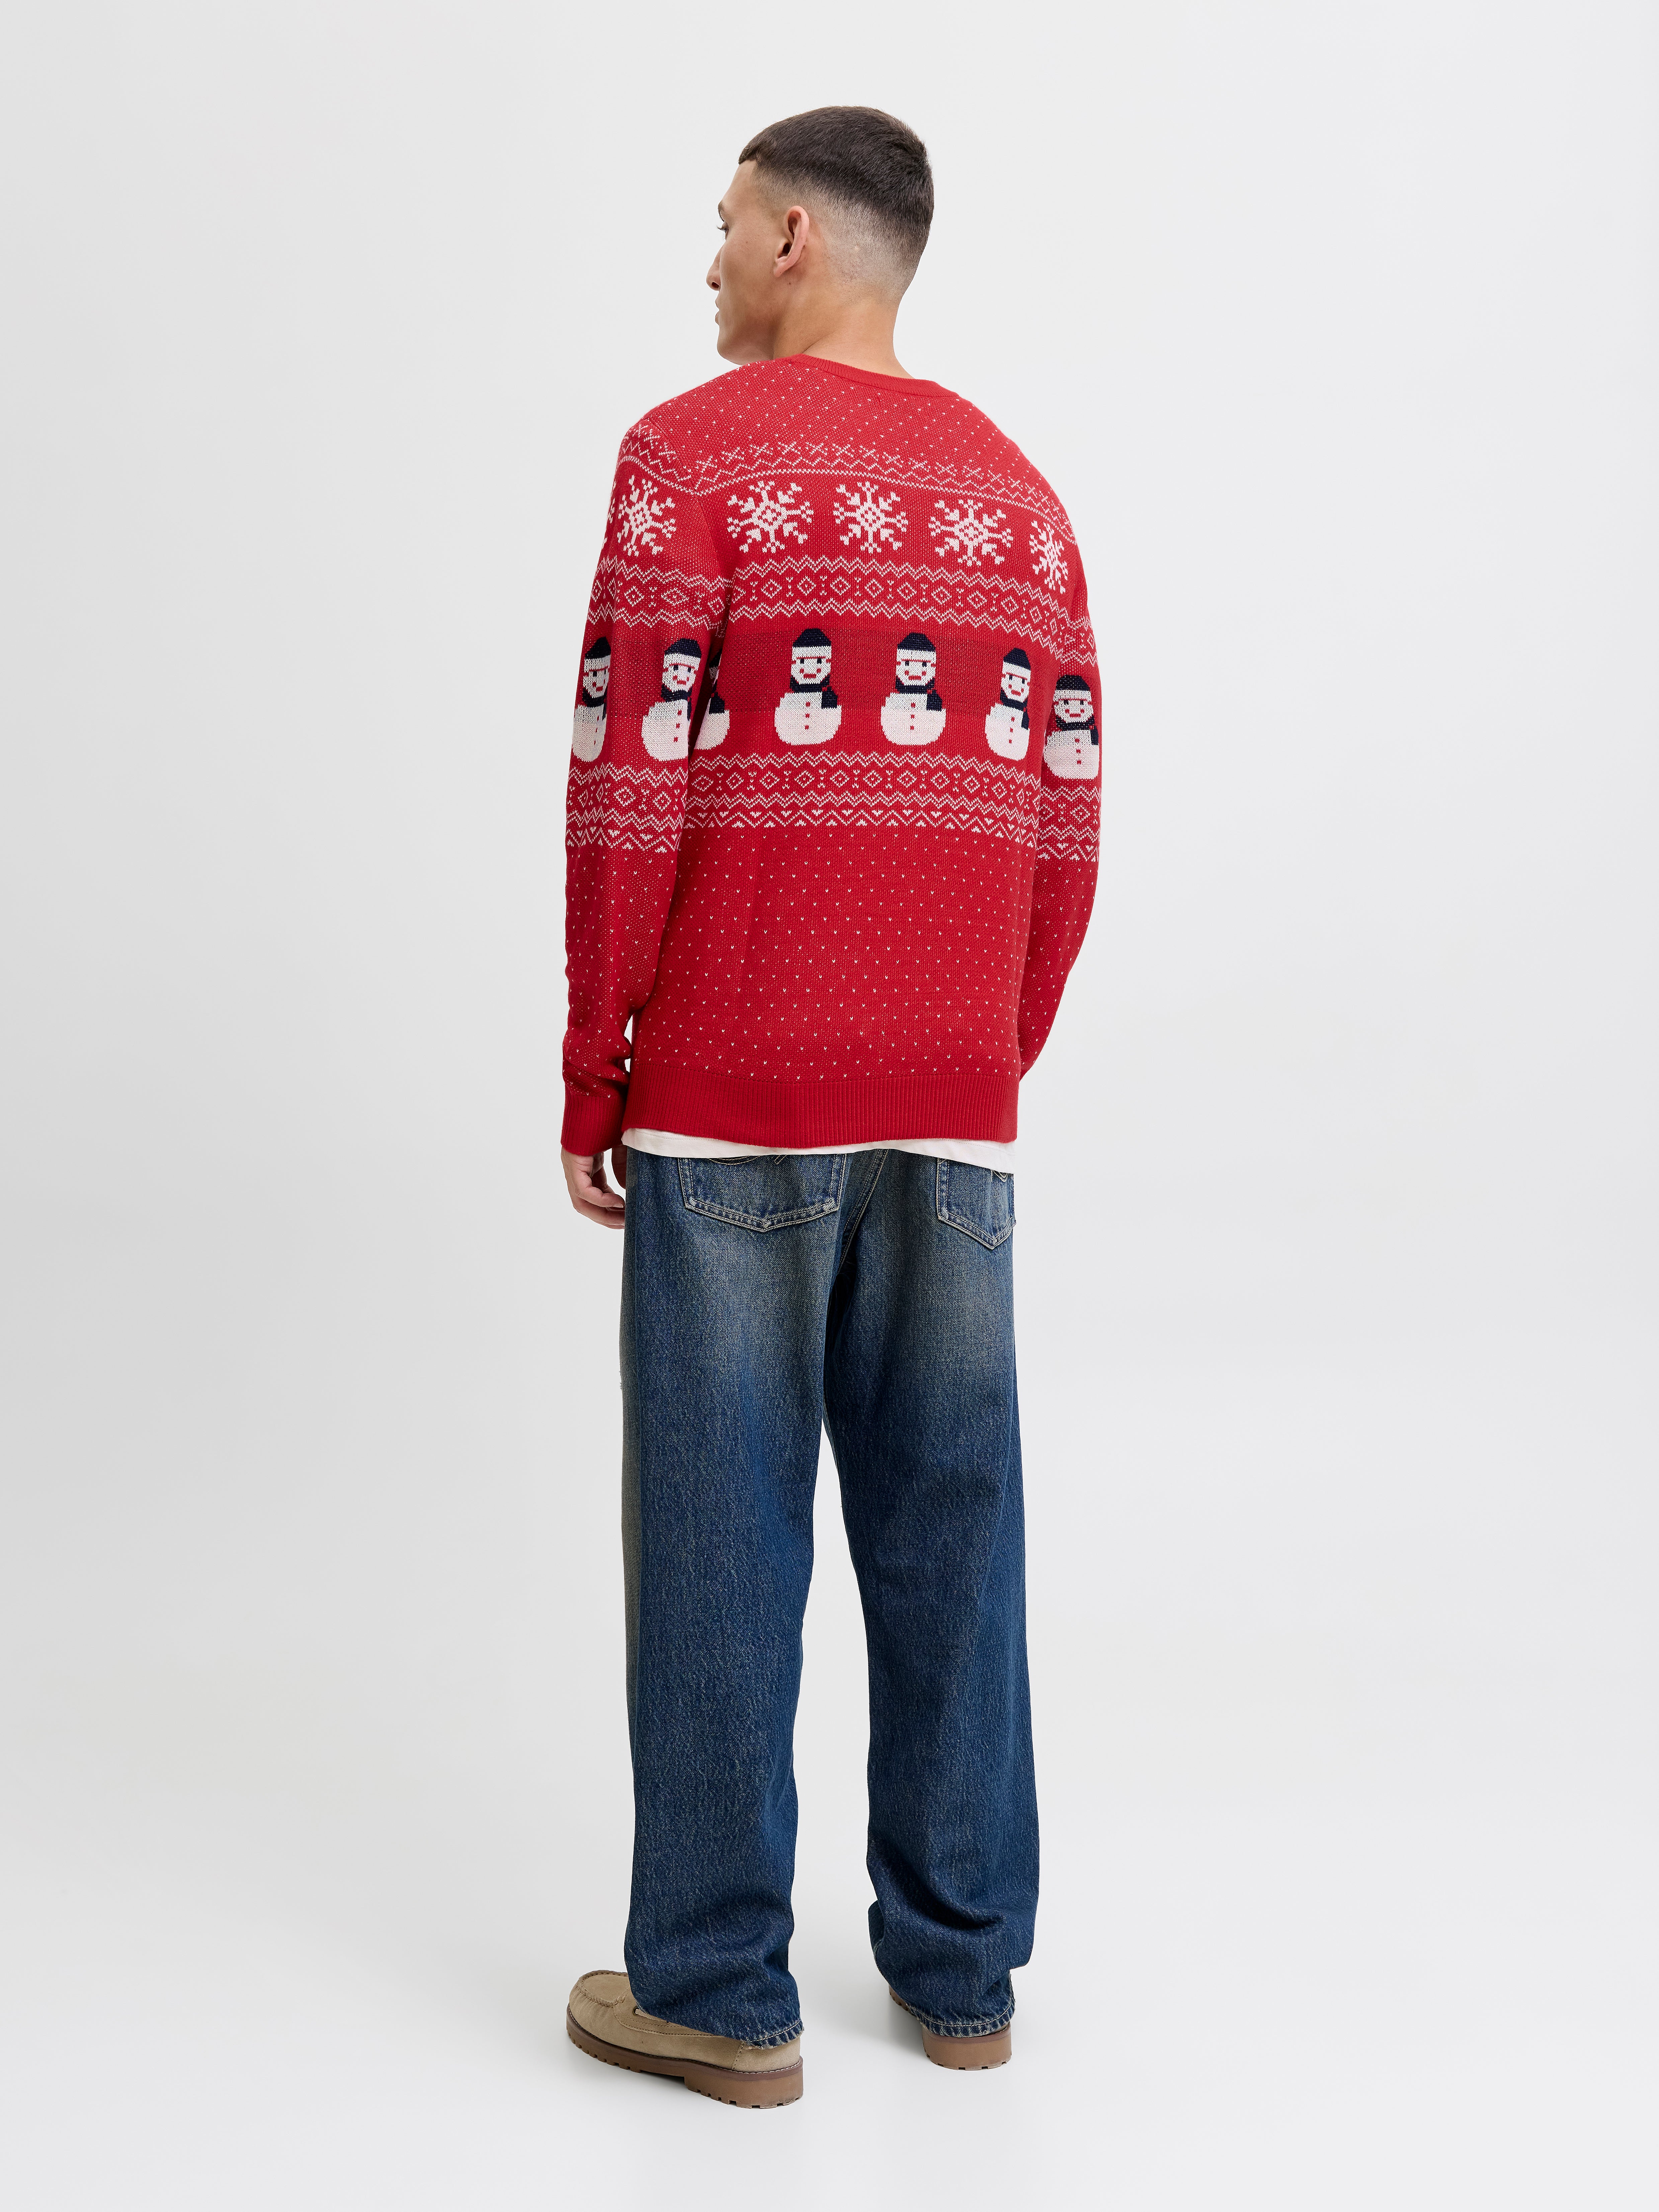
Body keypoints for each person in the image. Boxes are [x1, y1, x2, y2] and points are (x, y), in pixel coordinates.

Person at [560, 106, 1100, 2110]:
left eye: (723, 225)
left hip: (733, 1095)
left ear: (795, 233)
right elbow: (1069, 817)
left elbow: (629, 777)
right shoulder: (1022, 502)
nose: (707, 260)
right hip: (952, 1105)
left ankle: (718, 1987)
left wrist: (598, 1054)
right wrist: (985, 1052)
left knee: (721, 1535)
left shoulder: (687, 462)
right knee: (955, 1523)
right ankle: (964, 1975)